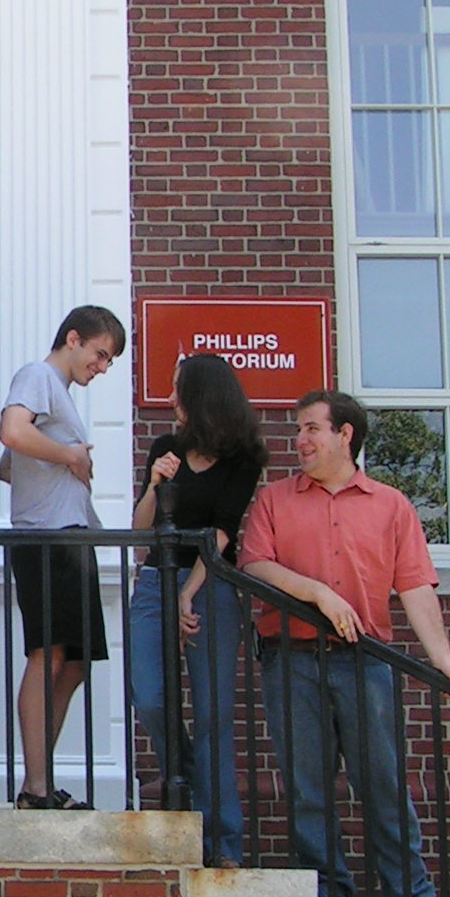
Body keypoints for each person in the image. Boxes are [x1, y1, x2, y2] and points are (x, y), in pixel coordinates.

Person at [239, 390, 450, 897]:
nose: (300, 440)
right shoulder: (274, 500)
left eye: (312, 428)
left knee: (383, 784)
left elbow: (415, 587)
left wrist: (443, 659)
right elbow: (254, 565)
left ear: (345, 435)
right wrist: (319, 593)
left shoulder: (392, 506)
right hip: (290, 660)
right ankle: (326, 896)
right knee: (308, 787)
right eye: (299, 429)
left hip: (365, 662)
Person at [128, 352, 267, 863]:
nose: (170, 399)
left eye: (177, 389)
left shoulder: (243, 458)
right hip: (154, 582)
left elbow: (223, 532)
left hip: (213, 585)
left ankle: (221, 842)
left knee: (213, 716)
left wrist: (188, 593)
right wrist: (155, 485)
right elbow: (140, 530)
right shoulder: (165, 448)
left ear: (201, 395)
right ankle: (186, 783)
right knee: (148, 695)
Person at [0, 305, 126, 811]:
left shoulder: (58, 394)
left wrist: (56, 457)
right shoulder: (38, 375)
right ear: (73, 339)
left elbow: (9, 466)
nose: (102, 366)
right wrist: (71, 455)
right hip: (46, 539)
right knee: (48, 656)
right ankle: (36, 787)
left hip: (71, 537)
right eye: (100, 353)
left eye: (109, 360)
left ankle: (40, 778)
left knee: (74, 664)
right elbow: (12, 433)